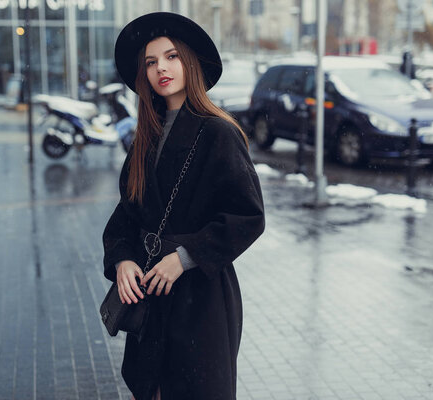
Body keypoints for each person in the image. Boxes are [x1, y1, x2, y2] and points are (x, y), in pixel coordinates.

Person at [102, 12, 265, 400]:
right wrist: (122, 258)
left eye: (171, 56)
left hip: (201, 301)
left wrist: (185, 256)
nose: (161, 68)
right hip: (151, 295)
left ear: (189, 62)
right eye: (151, 61)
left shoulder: (218, 132)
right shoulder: (147, 136)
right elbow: (126, 214)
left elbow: (248, 216)